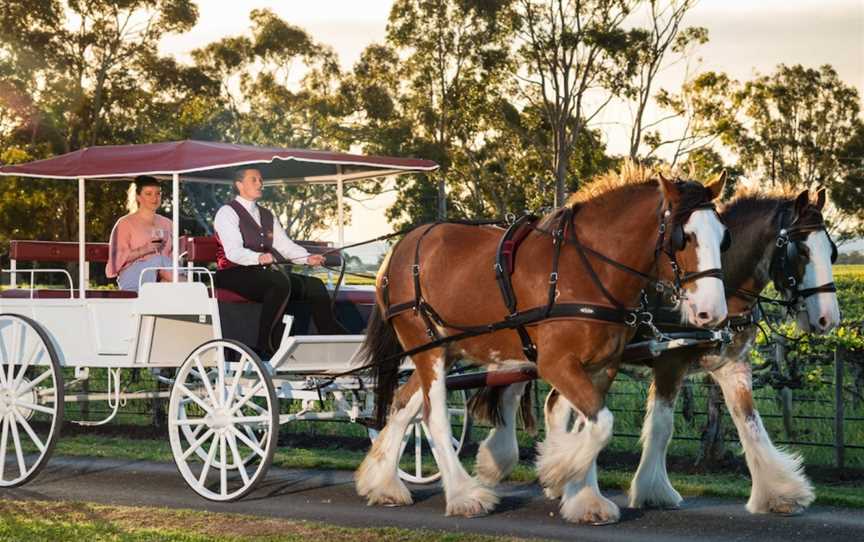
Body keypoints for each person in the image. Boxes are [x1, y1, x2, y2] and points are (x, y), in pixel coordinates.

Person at [213, 167, 344, 355]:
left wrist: (307, 258)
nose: (260, 184)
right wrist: (258, 257)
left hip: (261, 273)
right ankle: (267, 344)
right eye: (254, 180)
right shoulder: (227, 212)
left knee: (315, 285)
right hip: (232, 273)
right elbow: (233, 252)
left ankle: (330, 335)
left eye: (260, 180)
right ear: (239, 185)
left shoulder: (267, 214)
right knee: (278, 282)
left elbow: (285, 245)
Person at [106, 176, 173, 292]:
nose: (154, 198)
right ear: (138, 197)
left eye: (158, 193)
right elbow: (116, 258)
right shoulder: (125, 223)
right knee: (159, 260)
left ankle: (185, 289)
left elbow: (173, 256)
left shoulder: (168, 223)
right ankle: (191, 291)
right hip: (133, 276)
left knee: (163, 264)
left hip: (163, 276)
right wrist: (145, 249)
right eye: (148, 194)